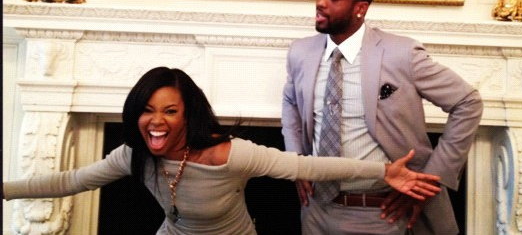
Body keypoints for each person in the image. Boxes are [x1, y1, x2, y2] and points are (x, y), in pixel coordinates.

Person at [3, 66, 441, 235]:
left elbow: (305, 166)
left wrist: (383, 172)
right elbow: (71, 181)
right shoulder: (132, 155)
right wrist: (4, 191)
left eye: (169, 111)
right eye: (147, 110)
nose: (156, 121)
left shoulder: (229, 155)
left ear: (187, 114)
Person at [282, 0, 483, 235]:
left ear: (360, 8)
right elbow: (291, 104)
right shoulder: (300, 52)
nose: (321, 3)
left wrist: (431, 179)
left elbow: (468, 102)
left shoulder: (401, 53)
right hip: (315, 212)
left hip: (382, 214)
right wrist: (296, 161)